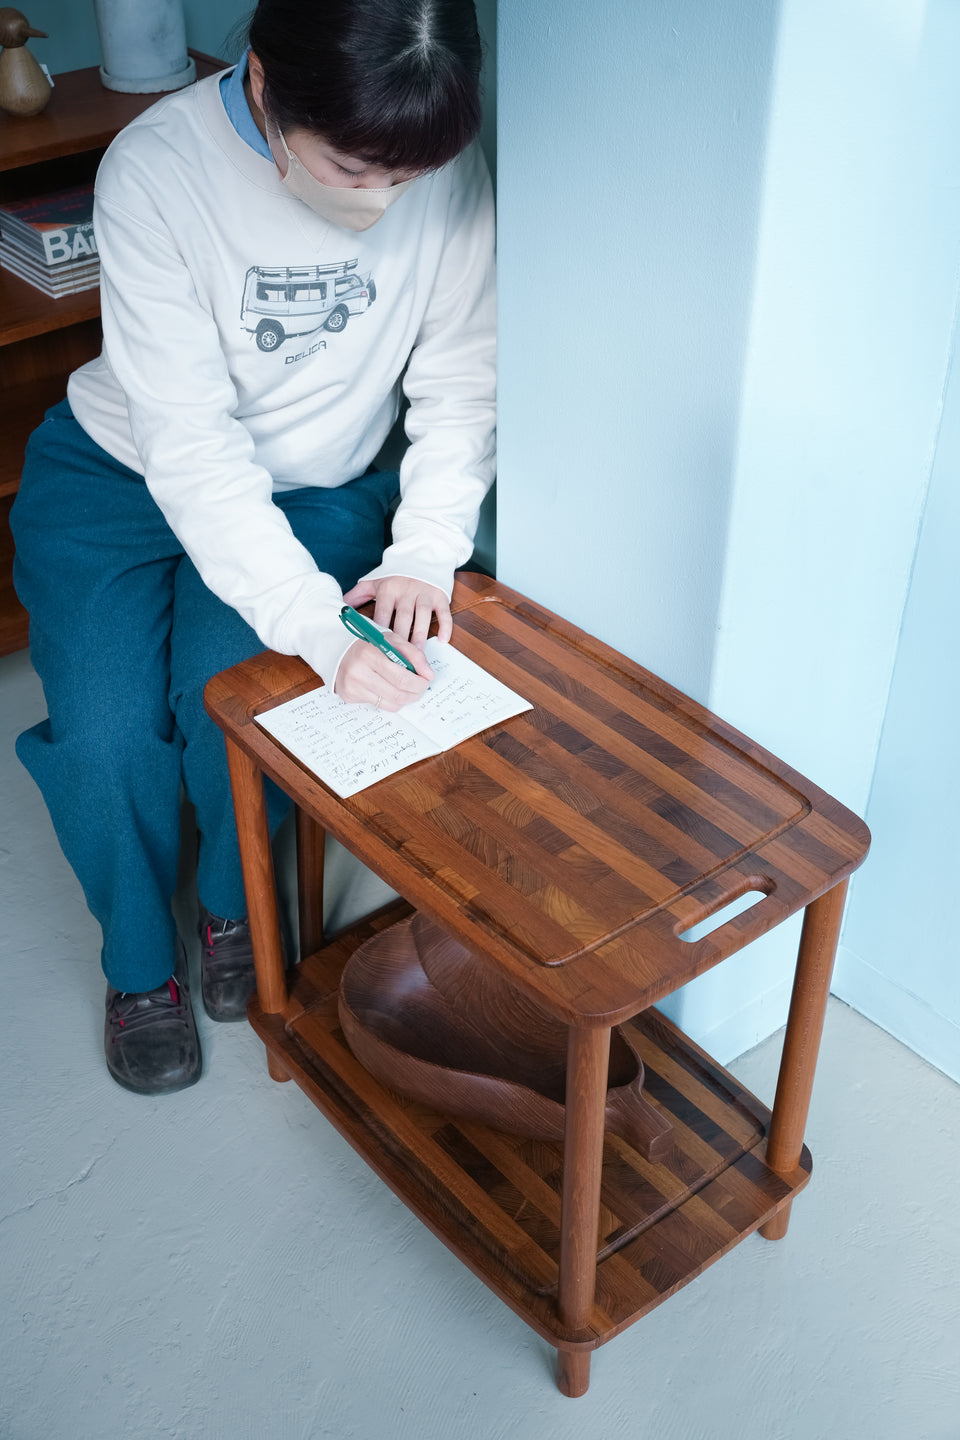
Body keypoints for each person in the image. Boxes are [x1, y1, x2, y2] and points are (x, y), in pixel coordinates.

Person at [11, 0, 495, 1096]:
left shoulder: (434, 156)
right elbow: (191, 449)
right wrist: (326, 630)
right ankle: (138, 964)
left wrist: (423, 551)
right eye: (352, 169)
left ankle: (238, 907)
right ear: (267, 85)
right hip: (123, 473)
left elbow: (461, 383)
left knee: (239, 710)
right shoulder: (155, 170)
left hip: (317, 482)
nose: (380, 201)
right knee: (106, 740)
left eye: (404, 182)